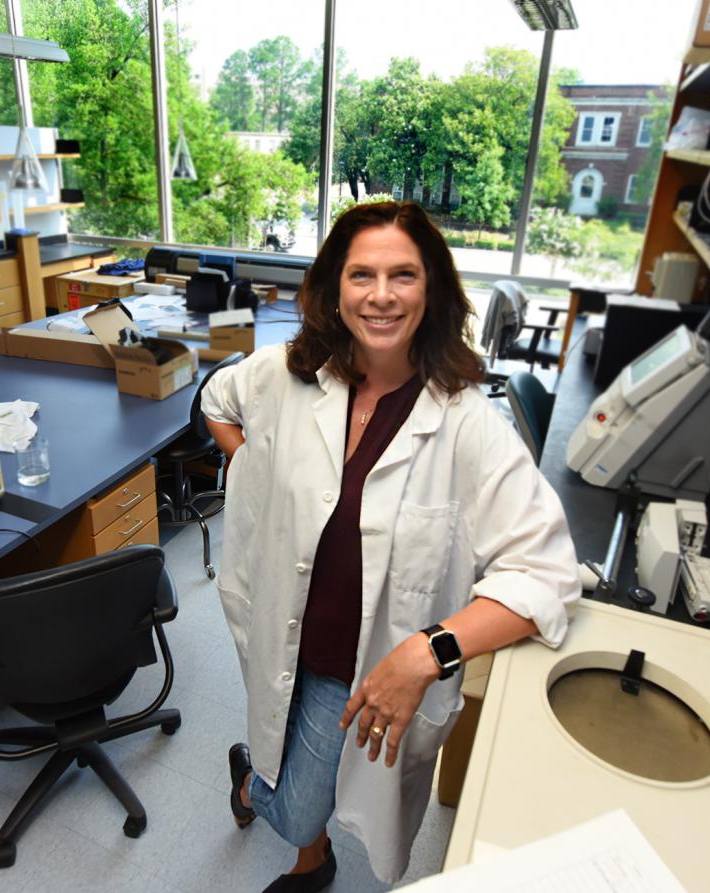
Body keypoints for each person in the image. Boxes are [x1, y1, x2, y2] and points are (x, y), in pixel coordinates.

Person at [200, 201, 581, 891]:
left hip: (361, 670)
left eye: (402, 275)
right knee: (296, 795)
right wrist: (252, 467)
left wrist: (428, 649)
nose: (381, 295)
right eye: (362, 275)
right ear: (333, 288)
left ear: (431, 288)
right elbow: (215, 401)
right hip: (278, 630)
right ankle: (297, 841)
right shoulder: (283, 373)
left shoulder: (466, 422)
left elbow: (547, 576)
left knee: (310, 796)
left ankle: (274, 808)